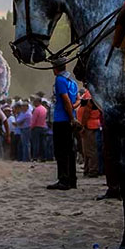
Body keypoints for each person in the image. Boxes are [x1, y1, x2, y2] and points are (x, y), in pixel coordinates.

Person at [47, 58, 80, 190]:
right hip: (70, 119)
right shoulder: (72, 82)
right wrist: (73, 109)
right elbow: (78, 99)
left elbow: (65, 100)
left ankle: (63, 179)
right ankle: (72, 179)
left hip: (62, 119)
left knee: (61, 151)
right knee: (70, 150)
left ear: (55, 68)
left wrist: (70, 116)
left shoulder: (59, 80)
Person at [77, 89, 101, 178]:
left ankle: (93, 170)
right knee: (87, 150)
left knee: (90, 150)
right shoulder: (93, 93)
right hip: (91, 125)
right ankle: (87, 169)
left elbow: (87, 111)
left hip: (90, 126)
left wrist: (83, 125)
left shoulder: (90, 94)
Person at [30, 96, 48, 161]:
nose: (34, 103)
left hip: (37, 127)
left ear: (38, 102)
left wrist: (31, 127)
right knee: (43, 143)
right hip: (44, 127)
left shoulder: (37, 109)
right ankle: (43, 157)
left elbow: (34, 120)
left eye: (35, 102)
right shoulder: (44, 109)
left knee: (36, 143)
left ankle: (35, 157)